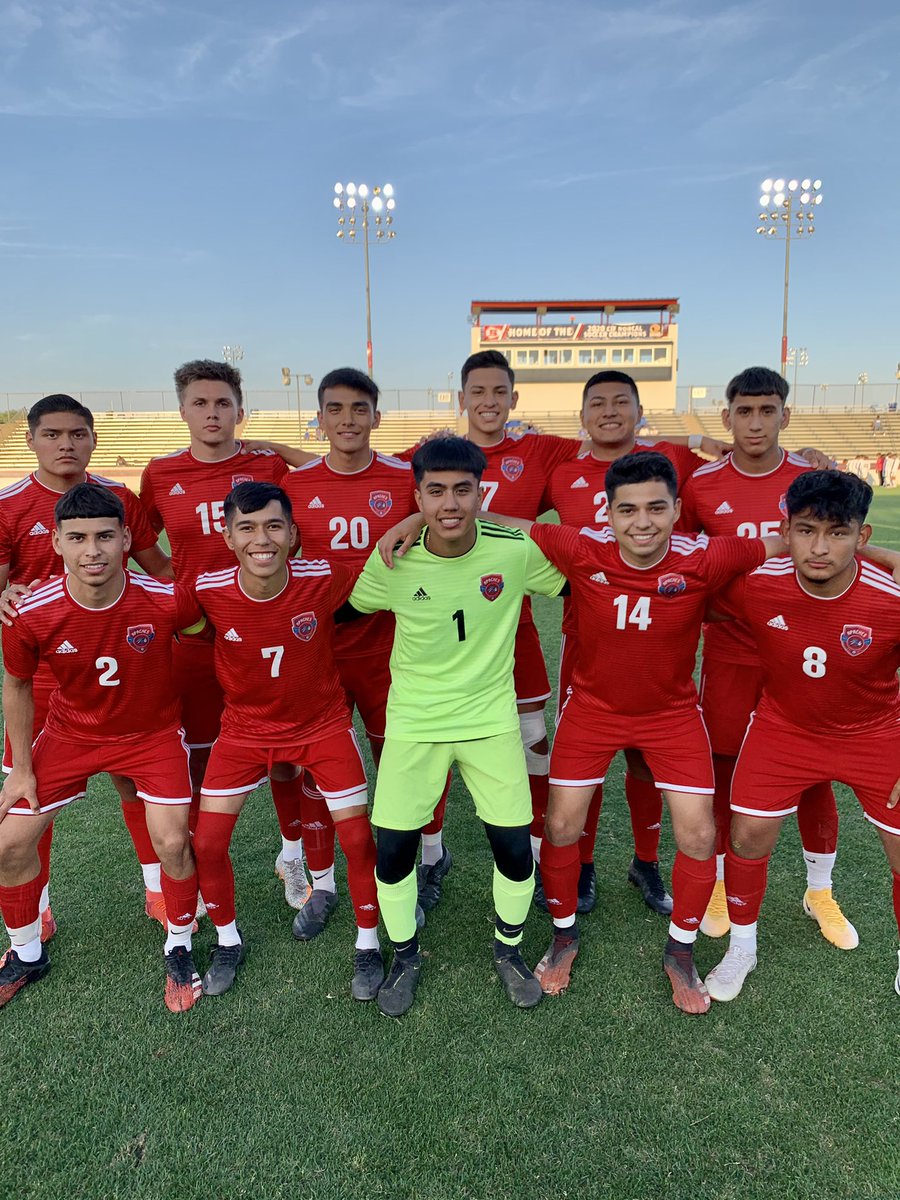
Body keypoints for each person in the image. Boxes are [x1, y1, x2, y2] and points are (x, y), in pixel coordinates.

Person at [484, 453, 788, 1014]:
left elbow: (789, 542)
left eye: (655, 508)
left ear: (677, 509)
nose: (641, 522)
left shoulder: (707, 555)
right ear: (609, 512)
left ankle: (682, 950)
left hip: (672, 716)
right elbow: (511, 522)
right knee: (560, 823)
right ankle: (564, 935)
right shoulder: (583, 549)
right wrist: (411, 521)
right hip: (593, 710)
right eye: (627, 510)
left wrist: (882, 553)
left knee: (699, 835)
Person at [350, 436, 566, 1017]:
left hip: (490, 720)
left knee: (515, 847)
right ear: (416, 495)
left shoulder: (514, 551)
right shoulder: (392, 559)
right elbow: (347, 610)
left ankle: (509, 949)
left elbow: (579, 580)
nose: (451, 503)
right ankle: (405, 956)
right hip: (415, 723)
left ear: (481, 493)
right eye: (436, 491)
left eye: (463, 490)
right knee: (392, 852)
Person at [0, 484, 202, 1012]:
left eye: (106, 537)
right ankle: (25, 953)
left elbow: (215, 630)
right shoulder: (30, 611)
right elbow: (17, 684)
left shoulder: (166, 599)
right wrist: (22, 770)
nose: (93, 550)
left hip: (152, 736)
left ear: (126, 539)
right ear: (57, 541)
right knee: (8, 844)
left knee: (173, 842)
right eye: (79, 538)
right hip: (72, 735)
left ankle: (179, 947)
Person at [704, 470, 900, 1003]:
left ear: (862, 537)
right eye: (805, 530)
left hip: (875, 732)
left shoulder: (891, 596)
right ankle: (742, 948)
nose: (818, 547)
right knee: (746, 837)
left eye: (837, 533)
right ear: (784, 530)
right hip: (784, 728)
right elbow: (691, 575)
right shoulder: (758, 583)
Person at [679, 366, 855, 948]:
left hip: (804, 648)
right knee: (727, 769)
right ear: (726, 416)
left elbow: (842, 550)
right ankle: (723, 889)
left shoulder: (812, 475)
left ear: (786, 413)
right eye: (745, 411)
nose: (756, 422)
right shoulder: (702, 486)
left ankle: (819, 890)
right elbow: (685, 561)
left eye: (767, 410)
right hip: (731, 648)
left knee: (813, 772)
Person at [191, 482, 381, 1000]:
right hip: (245, 732)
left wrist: (410, 524)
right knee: (206, 843)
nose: (262, 539)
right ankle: (227, 941)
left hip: (321, 725)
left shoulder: (324, 577)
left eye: (274, 526)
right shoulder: (205, 589)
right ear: (226, 535)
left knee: (359, 839)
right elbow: (138, 600)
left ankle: (368, 944)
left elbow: (386, 569)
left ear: (293, 534)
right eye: (247, 528)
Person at [283, 367, 452, 926]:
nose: (348, 420)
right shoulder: (296, 487)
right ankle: (324, 882)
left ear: (377, 417)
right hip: (320, 652)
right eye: (336, 409)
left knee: (406, 762)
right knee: (316, 767)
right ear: (321, 418)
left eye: (360, 409)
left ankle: (431, 857)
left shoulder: (410, 477)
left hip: (395, 650)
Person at [546, 370, 717, 916]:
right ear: (582, 415)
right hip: (587, 639)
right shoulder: (562, 472)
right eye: (598, 403)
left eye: (623, 401)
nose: (610, 411)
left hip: (663, 635)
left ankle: (645, 862)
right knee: (583, 770)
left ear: (641, 410)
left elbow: (747, 461)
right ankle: (585, 866)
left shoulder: (674, 458)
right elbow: (513, 522)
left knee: (646, 763)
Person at [140, 360, 311, 909]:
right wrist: (179, 586)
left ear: (240, 408)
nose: (212, 413)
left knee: (284, 752)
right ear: (182, 408)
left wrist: (281, 449)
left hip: (268, 629)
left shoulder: (266, 464)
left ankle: (292, 854)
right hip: (196, 635)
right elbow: (143, 542)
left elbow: (328, 475)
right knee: (197, 752)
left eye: (222, 403)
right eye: (200, 402)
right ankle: (194, 858)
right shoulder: (161, 472)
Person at [0, 393, 173, 933]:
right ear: (30, 439)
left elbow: (158, 568)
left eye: (77, 434)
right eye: (52, 434)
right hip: (45, 672)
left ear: (94, 440)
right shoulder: (8, 505)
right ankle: (38, 910)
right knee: (27, 793)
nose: (65, 444)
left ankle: (157, 891)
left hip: (121, 665)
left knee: (132, 781)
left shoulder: (119, 496)